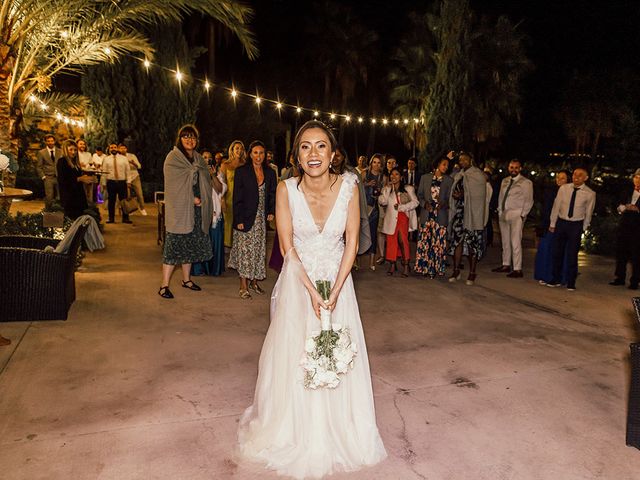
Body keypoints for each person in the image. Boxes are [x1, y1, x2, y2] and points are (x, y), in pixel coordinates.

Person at [237, 120, 386, 478]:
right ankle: (295, 429)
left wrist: (334, 290)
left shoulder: (350, 187)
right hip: (298, 283)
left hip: (338, 283)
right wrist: (311, 290)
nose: (313, 153)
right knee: (297, 355)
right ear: (297, 154)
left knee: (339, 354)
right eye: (305, 146)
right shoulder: (286, 189)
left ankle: (341, 429)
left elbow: (352, 241)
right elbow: (287, 246)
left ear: (333, 154)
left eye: (321, 146)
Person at [158, 125, 213, 299]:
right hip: (181, 209)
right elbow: (173, 188)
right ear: (179, 139)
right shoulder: (173, 158)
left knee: (189, 245)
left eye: (193, 137)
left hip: (196, 210)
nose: (190, 140)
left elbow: (206, 180)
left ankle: (186, 280)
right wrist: (192, 199)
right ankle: (163, 286)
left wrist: (203, 199)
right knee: (174, 246)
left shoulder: (198, 158)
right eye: (186, 136)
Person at [228, 140, 277, 299]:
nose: (258, 156)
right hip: (245, 219)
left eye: (261, 153)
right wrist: (239, 219)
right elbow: (237, 197)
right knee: (245, 252)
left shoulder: (270, 172)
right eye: (255, 152)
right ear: (250, 154)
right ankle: (243, 285)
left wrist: (271, 211)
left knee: (258, 251)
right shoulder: (242, 171)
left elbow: (272, 194)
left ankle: (254, 283)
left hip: (261, 221)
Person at [547, 167, 596, 291]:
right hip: (562, 222)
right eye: (574, 174)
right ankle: (556, 278)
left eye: (580, 175)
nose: (576, 177)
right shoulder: (564, 189)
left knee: (572, 254)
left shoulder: (590, 193)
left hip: (575, 224)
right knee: (557, 252)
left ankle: (571, 281)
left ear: (586, 178)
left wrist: (584, 228)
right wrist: (553, 223)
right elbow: (556, 206)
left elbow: (588, 212)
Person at [448, 151, 490, 285]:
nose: (462, 162)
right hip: (460, 213)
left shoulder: (478, 175)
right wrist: (455, 196)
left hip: (473, 214)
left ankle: (472, 273)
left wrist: (463, 195)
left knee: (472, 244)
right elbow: (453, 189)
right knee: (457, 242)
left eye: (465, 159)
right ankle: (456, 270)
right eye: (460, 160)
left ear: (471, 160)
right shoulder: (459, 174)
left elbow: (479, 195)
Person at [492, 159, 534, 277]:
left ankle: (517, 268)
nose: (513, 170)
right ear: (508, 168)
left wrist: (522, 214)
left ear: (520, 169)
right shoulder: (505, 181)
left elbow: (529, 200)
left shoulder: (526, 182)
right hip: (504, 213)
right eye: (511, 167)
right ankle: (506, 264)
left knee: (515, 241)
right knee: (505, 241)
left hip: (516, 214)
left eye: (516, 167)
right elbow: (501, 196)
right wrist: (500, 211)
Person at [415, 156, 453, 277]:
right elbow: (419, 195)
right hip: (427, 214)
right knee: (425, 242)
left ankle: (435, 269)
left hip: (440, 215)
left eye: (447, 165)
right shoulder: (425, 178)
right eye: (444, 164)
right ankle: (423, 268)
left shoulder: (449, 180)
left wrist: (444, 204)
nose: (446, 167)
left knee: (438, 244)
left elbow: (450, 199)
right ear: (437, 164)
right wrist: (424, 204)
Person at [378, 166, 419, 276]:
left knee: (402, 240)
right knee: (391, 241)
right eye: (392, 174)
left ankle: (406, 265)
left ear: (401, 177)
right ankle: (392, 264)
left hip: (403, 217)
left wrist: (402, 207)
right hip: (391, 218)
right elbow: (383, 202)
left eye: (396, 174)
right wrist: (386, 191)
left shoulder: (408, 188)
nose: (393, 176)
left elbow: (416, 202)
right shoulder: (387, 189)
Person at [192, 161, 227, 277]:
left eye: (209, 159)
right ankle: (199, 269)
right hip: (200, 215)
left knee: (214, 242)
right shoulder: (195, 176)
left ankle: (213, 269)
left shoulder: (218, 177)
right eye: (204, 158)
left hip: (215, 216)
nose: (206, 161)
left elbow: (220, 190)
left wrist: (211, 175)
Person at [534, 170, 569, 285]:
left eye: (562, 178)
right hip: (547, 225)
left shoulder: (569, 193)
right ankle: (544, 275)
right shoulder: (550, 191)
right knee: (545, 250)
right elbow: (545, 209)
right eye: (558, 177)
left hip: (561, 225)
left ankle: (558, 277)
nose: (559, 180)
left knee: (558, 252)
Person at [610, 168, 640, 290]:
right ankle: (619, 277)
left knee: (636, 255)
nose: (638, 180)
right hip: (625, 225)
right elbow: (617, 204)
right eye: (636, 177)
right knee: (621, 253)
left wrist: (637, 209)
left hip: (638, 228)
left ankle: (635, 280)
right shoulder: (627, 191)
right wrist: (621, 207)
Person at [56, 140, 94, 220]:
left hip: (78, 196)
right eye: (71, 150)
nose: (73, 152)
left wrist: (84, 177)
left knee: (79, 220)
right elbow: (63, 180)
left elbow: (75, 176)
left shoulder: (75, 162)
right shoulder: (62, 161)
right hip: (69, 197)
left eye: (75, 150)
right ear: (66, 150)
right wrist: (79, 179)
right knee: (72, 221)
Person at [221, 140, 246, 248]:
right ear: (232, 150)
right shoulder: (225, 165)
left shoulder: (246, 165)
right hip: (229, 200)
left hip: (242, 200)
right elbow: (221, 184)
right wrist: (222, 200)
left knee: (240, 223)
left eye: (241, 148)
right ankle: (227, 248)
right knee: (228, 224)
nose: (239, 151)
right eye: (237, 148)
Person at [363, 153, 384, 270]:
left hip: (375, 209)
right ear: (371, 163)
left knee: (373, 235)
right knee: (360, 233)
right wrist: (367, 184)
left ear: (381, 165)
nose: (376, 165)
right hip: (363, 207)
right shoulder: (365, 173)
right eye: (374, 162)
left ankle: (371, 262)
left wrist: (381, 192)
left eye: (378, 163)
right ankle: (355, 261)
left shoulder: (382, 177)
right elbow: (357, 188)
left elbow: (386, 193)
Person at [102, 143, 132, 224]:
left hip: (122, 182)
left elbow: (128, 170)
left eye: (115, 147)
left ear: (117, 149)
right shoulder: (106, 159)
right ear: (109, 149)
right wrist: (104, 183)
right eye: (111, 148)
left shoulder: (123, 158)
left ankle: (125, 218)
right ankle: (111, 218)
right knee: (111, 201)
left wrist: (129, 181)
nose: (113, 149)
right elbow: (104, 171)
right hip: (111, 182)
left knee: (124, 201)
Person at [119, 143, 147, 215]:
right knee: (127, 195)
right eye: (121, 148)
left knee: (139, 193)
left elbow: (139, 166)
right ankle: (130, 209)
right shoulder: (119, 158)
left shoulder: (132, 156)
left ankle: (142, 208)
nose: (123, 150)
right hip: (125, 178)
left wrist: (133, 163)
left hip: (134, 176)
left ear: (126, 149)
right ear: (119, 149)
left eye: (124, 148)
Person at [36, 134, 62, 207]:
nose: (50, 142)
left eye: (52, 141)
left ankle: (60, 212)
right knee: (49, 197)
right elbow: (39, 166)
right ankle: (48, 212)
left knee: (60, 196)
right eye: (48, 141)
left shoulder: (60, 151)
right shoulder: (42, 152)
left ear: (54, 141)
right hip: (48, 177)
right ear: (45, 142)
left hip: (59, 177)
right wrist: (43, 177)